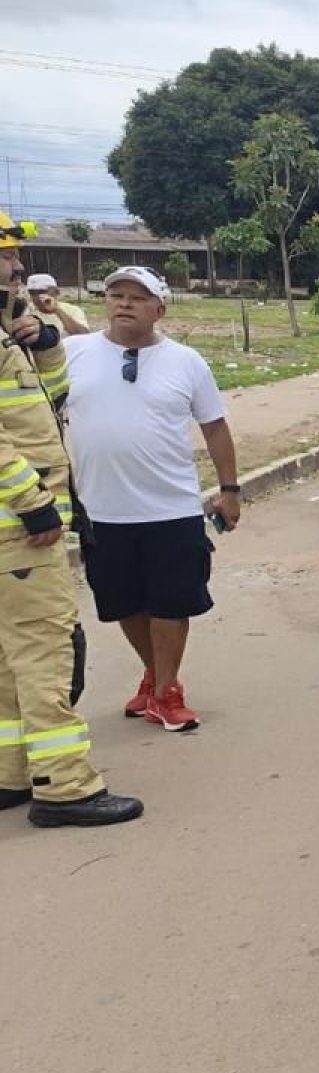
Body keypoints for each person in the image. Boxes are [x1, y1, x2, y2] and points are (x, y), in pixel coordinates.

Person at [0, 211, 143, 827]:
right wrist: (30, 500)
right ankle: (66, 786)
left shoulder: (9, 326)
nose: (14, 267)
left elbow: (49, 397)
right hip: (17, 524)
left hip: (18, 524)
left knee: (10, 657)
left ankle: (11, 773)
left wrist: (45, 341)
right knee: (44, 649)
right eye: (3, 256)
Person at [63, 266, 239, 733]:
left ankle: (165, 692)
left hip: (172, 508)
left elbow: (215, 427)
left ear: (159, 309)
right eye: (115, 295)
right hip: (101, 509)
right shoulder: (71, 354)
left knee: (171, 602)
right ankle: (156, 674)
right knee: (123, 603)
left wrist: (230, 490)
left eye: (137, 298)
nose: (124, 303)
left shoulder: (187, 362)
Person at [23, 273, 85, 406]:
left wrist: (56, 310)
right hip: (41, 385)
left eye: (42, 292)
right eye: (32, 293)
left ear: (56, 292)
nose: (38, 297)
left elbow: (84, 336)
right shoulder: (26, 314)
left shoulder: (71, 310)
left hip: (70, 380)